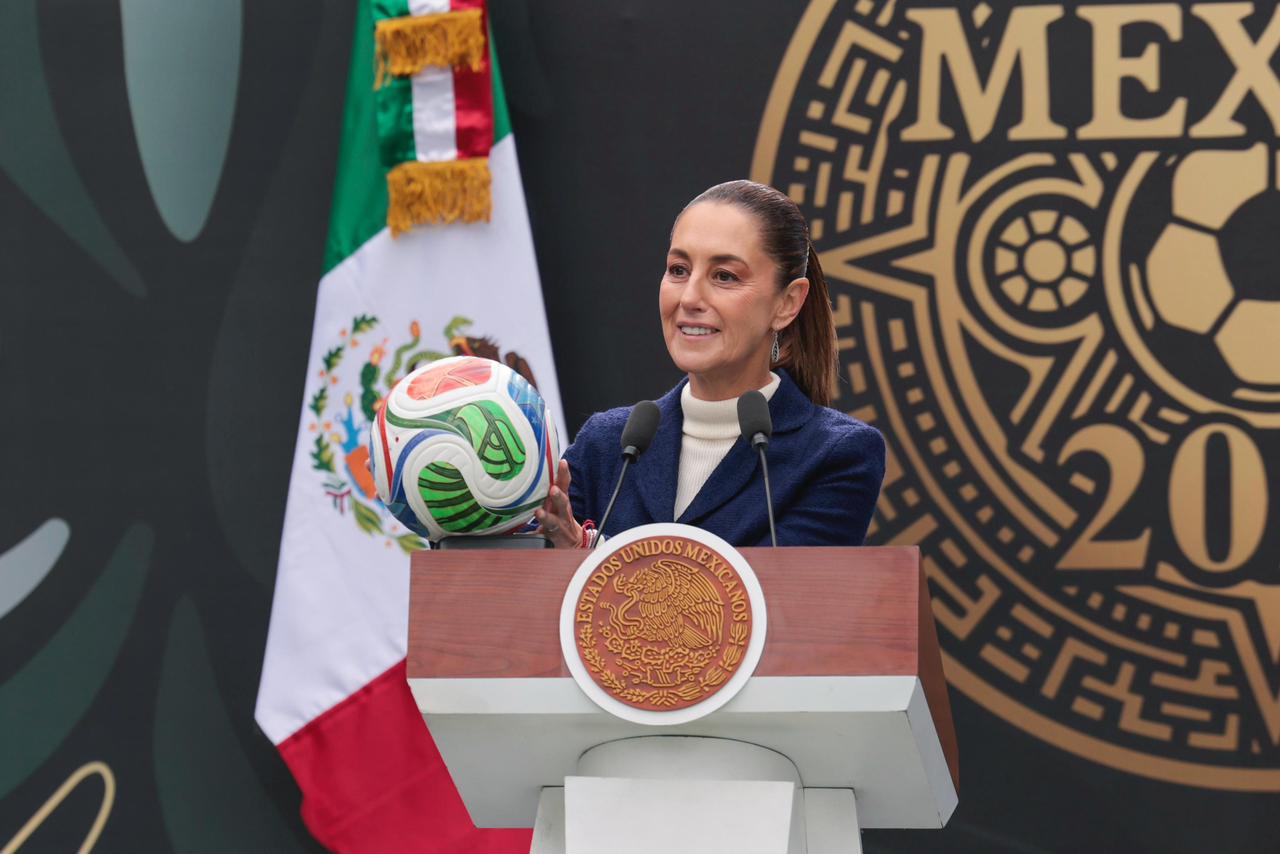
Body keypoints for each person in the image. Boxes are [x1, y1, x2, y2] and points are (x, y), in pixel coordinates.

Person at [534, 180, 885, 548]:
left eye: (724, 276)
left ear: (787, 303)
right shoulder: (606, 444)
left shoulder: (838, 455)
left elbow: (759, 585)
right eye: (678, 270)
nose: (689, 298)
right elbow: (530, 575)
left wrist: (591, 549)